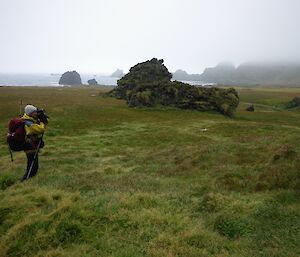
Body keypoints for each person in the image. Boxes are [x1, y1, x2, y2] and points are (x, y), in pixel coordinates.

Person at [21, 104, 46, 182]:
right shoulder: (28, 122)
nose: (36, 113)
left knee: (31, 165)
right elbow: (41, 130)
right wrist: (42, 122)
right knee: (33, 167)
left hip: (31, 145)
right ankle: (23, 182)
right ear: (30, 113)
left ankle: (27, 181)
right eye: (35, 112)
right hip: (29, 145)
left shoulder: (29, 119)